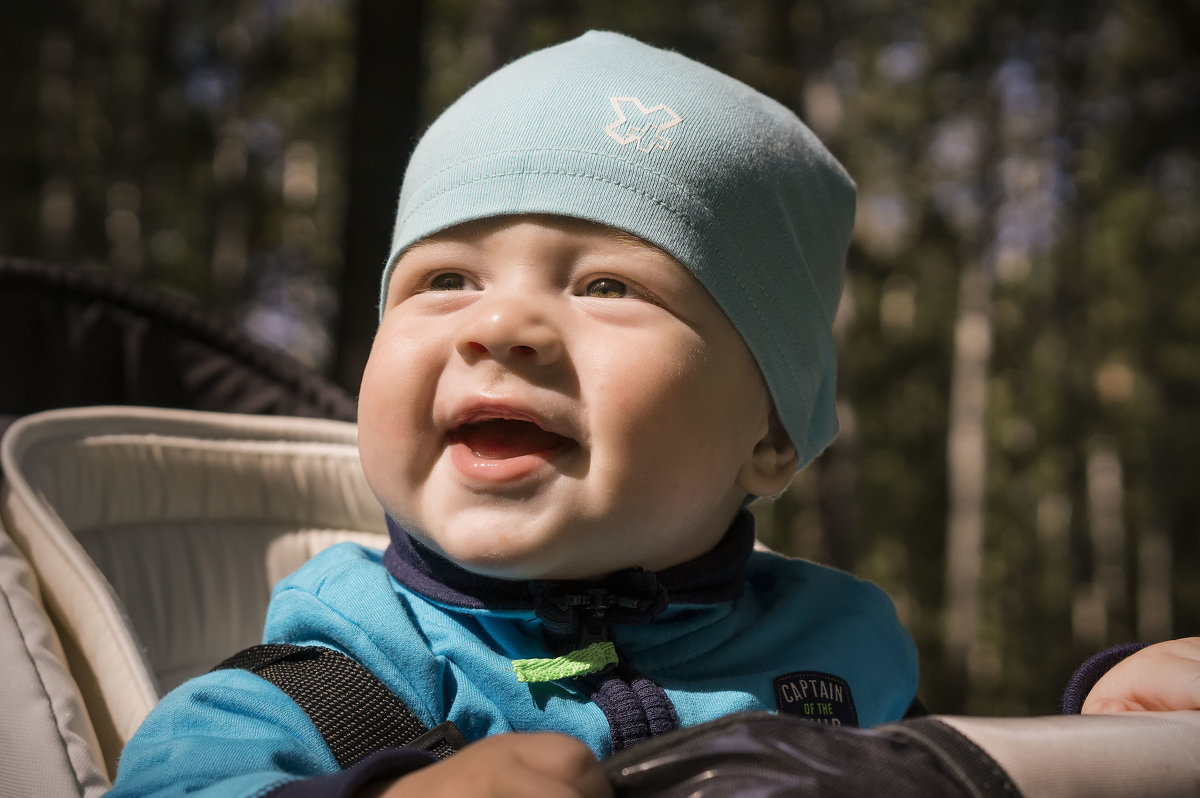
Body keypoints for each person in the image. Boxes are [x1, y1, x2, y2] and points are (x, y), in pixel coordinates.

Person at [106, 31, 1200, 798]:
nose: (504, 328)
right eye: (444, 280)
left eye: (606, 287)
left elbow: (936, 767)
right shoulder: (349, 673)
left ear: (773, 432)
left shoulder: (839, 652)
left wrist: (1095, 719)